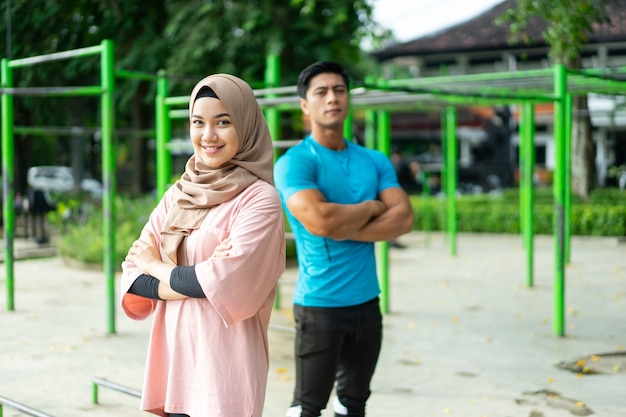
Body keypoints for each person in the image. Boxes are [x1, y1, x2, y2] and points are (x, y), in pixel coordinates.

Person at [120, 73, 286, 417]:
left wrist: (157, 266)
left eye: (223, 122)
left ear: (246, 125)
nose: (208, 136)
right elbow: (132, 275)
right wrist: (202, 277)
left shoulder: (260, 200)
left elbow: (225, 284)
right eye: (198, 122)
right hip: (175, 368)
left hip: (226, 374)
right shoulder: (179, 194)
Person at [274, 61, 414, 417]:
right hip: (319, 304)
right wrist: (371, 206)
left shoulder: (374, 160)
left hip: (367, 304)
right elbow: (320, 220)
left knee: (353, 404)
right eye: (321, 92)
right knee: (307, 408)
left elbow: (404, 218)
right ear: (305, 105)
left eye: (339, 89)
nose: (332, 97)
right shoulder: (295, 163)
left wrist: (341, 225)